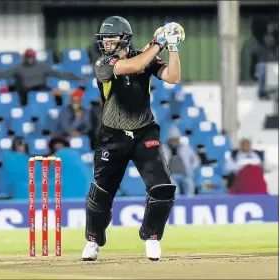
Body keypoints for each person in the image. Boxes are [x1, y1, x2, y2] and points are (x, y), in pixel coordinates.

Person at [80, 16, 185, 262]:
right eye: (104, 38)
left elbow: (172, 77)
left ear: (125, 38)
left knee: (162, 187)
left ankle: (152, 237)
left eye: (112, 37)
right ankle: (93, 241)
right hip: (112, 136)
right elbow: (134, 66)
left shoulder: (146, 55)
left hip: (144, 132)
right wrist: (158, 42)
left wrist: (172, 46)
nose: (106, 42)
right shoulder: (103, 63)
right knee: (101, 193)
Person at [0, 49, 82, 106]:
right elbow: (1, 74)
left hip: (41, 88)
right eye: (28, 56)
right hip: (25, 90)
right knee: (18, 87)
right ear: (24, 57)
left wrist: (77, 78)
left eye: (31, 56)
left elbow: (60, 74)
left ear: (34, 57)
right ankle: (24, 107)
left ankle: (58, 107)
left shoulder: (42, 67)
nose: (30, 59)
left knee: (58, 92)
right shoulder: (19, 68)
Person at [162, 126, 199, 196]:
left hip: (185, 175)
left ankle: (189, 204)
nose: (174, 142)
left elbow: (196, 160)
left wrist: (192, 168)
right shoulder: (163, 148)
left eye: (176, 139)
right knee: (175, 189)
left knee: (190, 186)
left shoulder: (186, 148)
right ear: (169, 139)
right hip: (170, 176)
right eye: (173, 140)